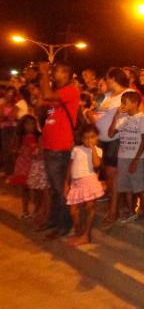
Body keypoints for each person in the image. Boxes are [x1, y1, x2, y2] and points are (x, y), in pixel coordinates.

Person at [39, 61, 80, 240]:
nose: (54, 74)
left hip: (60, 147)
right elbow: (43, 100)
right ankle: (55, 221)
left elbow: (46, 94)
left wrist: (44, 73)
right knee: (54, 189)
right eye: (53, 72)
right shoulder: (58, 95)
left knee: (60, 189)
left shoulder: (70, 90)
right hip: (50, 146)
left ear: (66, 75)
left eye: (57, 72)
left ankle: (63, 226)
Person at [93, 67, 131, 226]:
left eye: (108, 79)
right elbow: (96, 116)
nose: (105, 82)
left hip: (116, 138)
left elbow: (130, 116)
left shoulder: (127, 94)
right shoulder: (105, 96)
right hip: (101, 139)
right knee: (108, 175)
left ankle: (113, 211)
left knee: (112, 174)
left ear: (114, 79)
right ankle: (116, 205)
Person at [108, 91, 144, 224]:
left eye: (125, 102)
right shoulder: (122, 118)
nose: (122, 105)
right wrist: (116, 116)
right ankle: (131, 212)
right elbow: (110, 134)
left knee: (140, 187)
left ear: (135, 103)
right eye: (122, 102)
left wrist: (136, 160)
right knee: (125, 187)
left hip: (136, 157)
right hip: (123, 156)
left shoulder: (142, 118)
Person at [65, 124, 104, 246]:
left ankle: (86, 235)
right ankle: (79, 231)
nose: (89, 140)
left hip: (89, 181)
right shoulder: (76, 149)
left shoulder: (98, 151)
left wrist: (93, 149)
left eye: (92, 137)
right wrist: (66, 183)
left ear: (97, 137)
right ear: (82, 139)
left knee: (89, 207)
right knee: (73, 210)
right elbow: (70, 167)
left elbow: (97, 165)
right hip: (76, 183)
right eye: (86, 138)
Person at [9, 114, 40, 218]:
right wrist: (18, 151)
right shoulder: (19, 137)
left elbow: (38, 152)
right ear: (23, 125)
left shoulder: (38, 137)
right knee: (23, 189)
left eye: (32, 124)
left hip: (32, 166)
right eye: (27, 124)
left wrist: (32, 150)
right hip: (22, 165)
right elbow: (14, 150)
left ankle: (35, 211)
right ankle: (25, 210)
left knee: (33, 190)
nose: (30, 126)